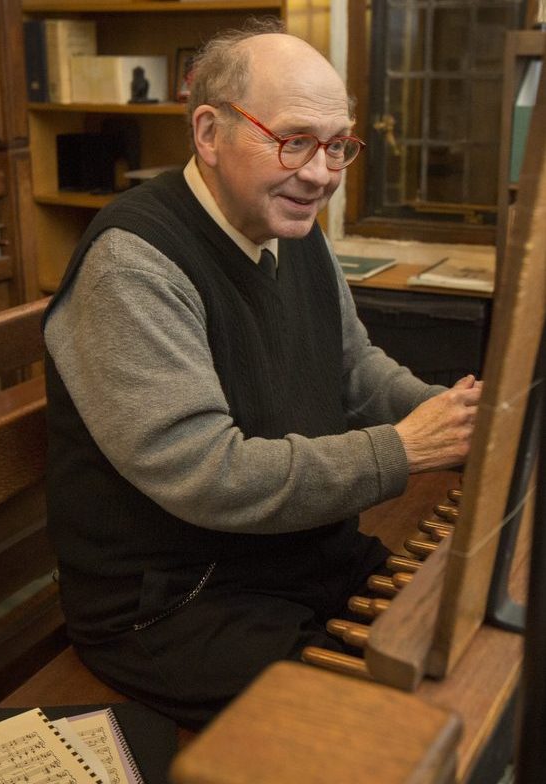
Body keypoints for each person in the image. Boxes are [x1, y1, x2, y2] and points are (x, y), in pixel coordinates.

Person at [43, 19, 482, 729]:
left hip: (293, 557)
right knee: (380, 727)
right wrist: (406, 449)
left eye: (337, 145)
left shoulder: (287, 223)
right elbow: (207, 472)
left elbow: (353, 369)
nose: (320, 174)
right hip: (176, 603)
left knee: (465, 636)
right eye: (294, 139)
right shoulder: (133, 263)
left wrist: (457, 418)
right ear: (209, 133)